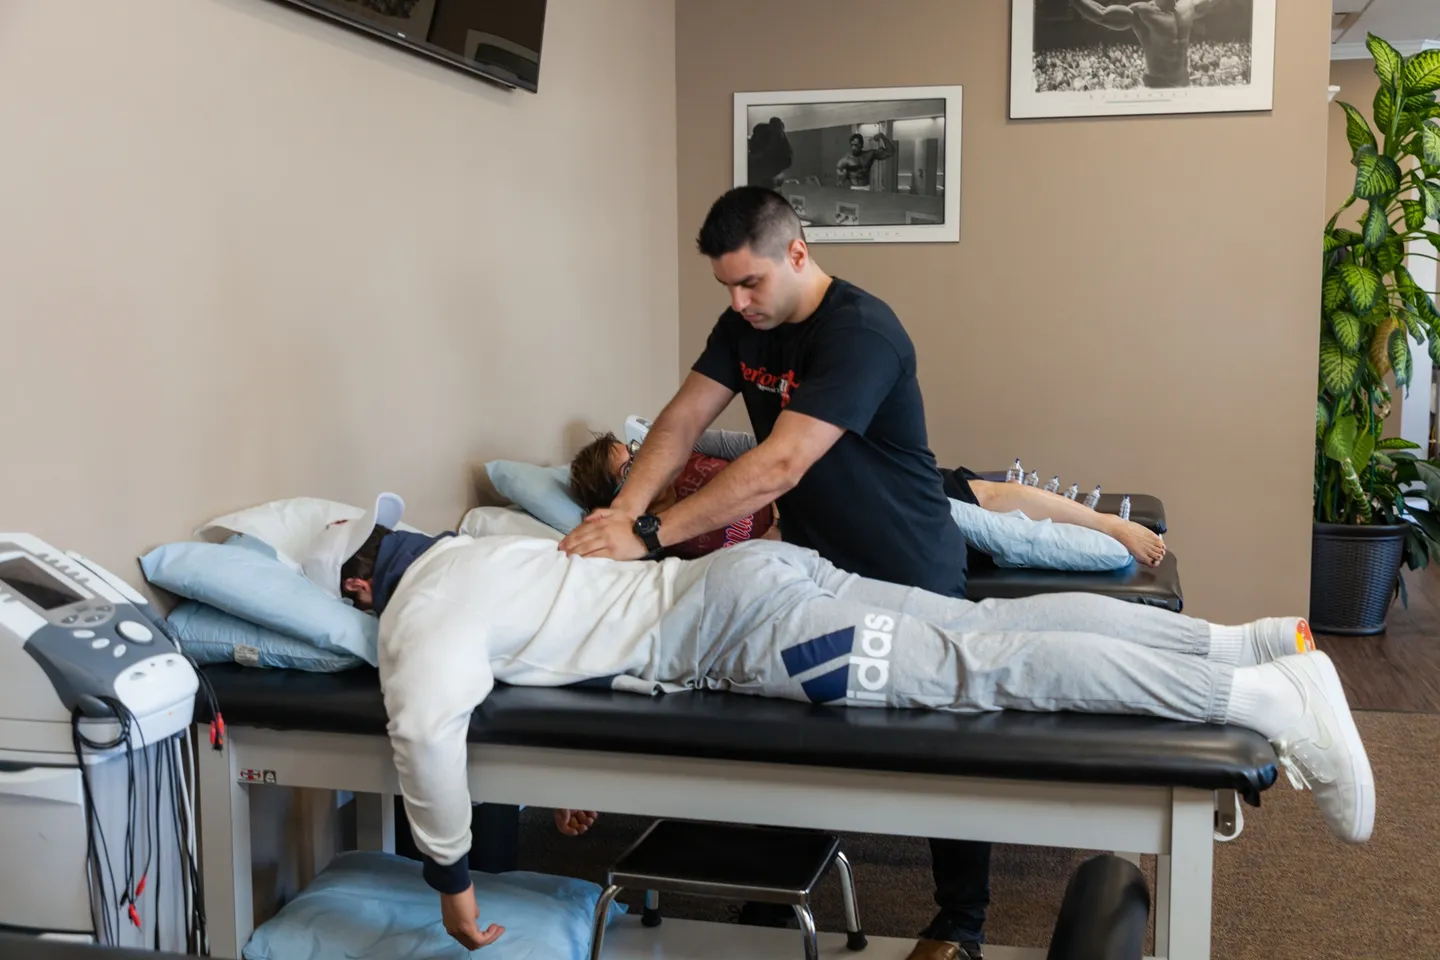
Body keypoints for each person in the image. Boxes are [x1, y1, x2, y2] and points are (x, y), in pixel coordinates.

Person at [301, 498, 1375, 955]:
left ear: (359, 585)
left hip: (741, 637)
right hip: (752, 573)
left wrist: (450, 879)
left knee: (984, 667)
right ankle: (1247, 646)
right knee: (987, 626)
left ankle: (1259, 705)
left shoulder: (422, 613)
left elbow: (427, 736)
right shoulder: (485, 542)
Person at [552, 184, 1096, 957]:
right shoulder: (745, 327)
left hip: (907, 559)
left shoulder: (862, 332)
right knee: (799, 730)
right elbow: (678, 422)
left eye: (751, 282)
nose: (739, 301)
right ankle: (780, 896)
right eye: (727, 287)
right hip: (815, 565)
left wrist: (649, 531)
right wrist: (622, 509)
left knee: (940, 746)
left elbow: (779, 463)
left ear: (797, 253)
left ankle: (961, 925)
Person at [568, 430, 1167, 567]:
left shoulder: (697, 450)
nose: (647, 455)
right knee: (977, 522)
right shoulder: (653, 538)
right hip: (820, 536)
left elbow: (776, 447)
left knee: (988, 493)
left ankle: (1105, 526)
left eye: (641, 443)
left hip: (843, 485)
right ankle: (1104, 541)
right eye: (631, 461)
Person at [1068, 0, 1227, 89]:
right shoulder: (1144, 12)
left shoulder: (1188, 7)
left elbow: (1215, 3)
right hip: (1157, 84)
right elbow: (1102, 15)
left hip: (1183, 83)